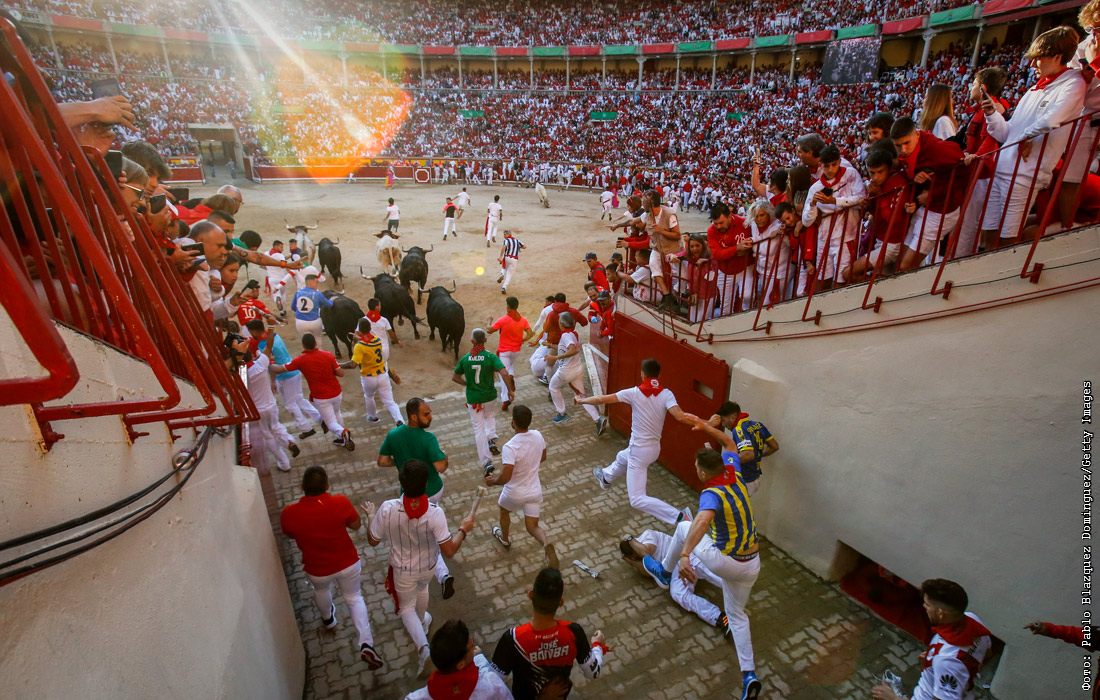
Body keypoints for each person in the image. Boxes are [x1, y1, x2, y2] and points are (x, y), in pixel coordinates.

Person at [641, 418, 762, 700]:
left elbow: (702, 521)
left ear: (705, 473)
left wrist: (684, 555)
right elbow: (729, 443)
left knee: (685, 527)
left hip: (726, 561)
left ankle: (665, 572)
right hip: (751, 565)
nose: (696, 471)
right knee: (737, 616)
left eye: (697, 468)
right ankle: (749, 675)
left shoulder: (711, 493)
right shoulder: (733, 470)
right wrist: (706, 428)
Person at [363, 460, 475, 674]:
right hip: (428, 567)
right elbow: (449, 551)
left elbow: (373, 540)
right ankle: (422, 621)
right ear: (425, 484)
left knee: (406, 608)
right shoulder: (435, 513)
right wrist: (463, 529)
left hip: (402, 570)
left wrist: (370, 517)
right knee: (422, 590)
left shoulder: (387, 508)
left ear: (401, 483)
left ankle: (424, 649)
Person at [979, 27, 1087, 248]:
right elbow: (1007, 134)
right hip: (1001, 170)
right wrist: (992, 115)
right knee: (988, 234)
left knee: (1008, 239)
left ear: (1056, 57)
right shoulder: (1034, 89)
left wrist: (1025, 137)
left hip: (1024, 177)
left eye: (1038, 58)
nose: (1032, 65)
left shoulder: (1073, 84)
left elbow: (1052, 120)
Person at [280, 466, 383, 670]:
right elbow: (356, 526)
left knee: (321, 591)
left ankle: (328, 620)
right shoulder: (340, 502)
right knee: (354, 598)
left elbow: (290, 534)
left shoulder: (289, 513)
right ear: (327, 486)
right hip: (347, 563)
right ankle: (366, 643)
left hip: (317, 568)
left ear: (301, 486)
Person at [581, 358, 694, 524]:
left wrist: (582, 400)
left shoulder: (634, 393)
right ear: (659, 375)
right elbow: (681, 417)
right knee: (622, 456)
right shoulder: (666, 394)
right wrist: (706, 423)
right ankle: (606, 476)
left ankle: (679, 516)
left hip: (638, 451)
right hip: (654, 449)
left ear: (642, 374)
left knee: (637, 499)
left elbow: (601, 400)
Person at [377, 397, 455, 598]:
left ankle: (442, 573)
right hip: (433, 490)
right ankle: (443, 574)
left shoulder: (393, 435)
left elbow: (382, 461)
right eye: (426, 414)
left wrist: (400, 464)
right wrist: (446, 459)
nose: (431, 417)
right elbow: (440, 467)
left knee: (421, 530)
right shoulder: (428, 439)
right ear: (413, 417)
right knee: (429, 531)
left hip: (409, 493)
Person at [491, 568, 607, 700]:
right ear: (561, 602)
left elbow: (492, 686)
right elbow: (592, 673)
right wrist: (598, 646)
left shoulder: (512, 639)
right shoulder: (574, 632)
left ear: (530, 595)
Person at [871, 579, 992, 700]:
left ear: (940, 613)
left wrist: (892, 698)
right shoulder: (972, 619)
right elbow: (986, 652)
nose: (924, 606)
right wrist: (934, 660)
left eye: (927, 604)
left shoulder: (946, 661)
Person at [483, 405, 558, 568]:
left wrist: (493, 481)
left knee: (504, 510)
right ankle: (546, 544)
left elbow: (506, 476)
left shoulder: (510, 447)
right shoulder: (538, 435)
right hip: (534, 490)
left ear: (513, 423)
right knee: (533, 527)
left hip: (514, 492)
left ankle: (505, 538)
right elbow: (543, 457)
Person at [890, 117, 969, 271]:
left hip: (942, 211)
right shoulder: (911, 151)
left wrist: (932, 194)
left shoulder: (937, 149)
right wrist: (916, 181)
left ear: (917, 135)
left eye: (906, 143)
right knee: (900, 262)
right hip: (924, 208)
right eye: (898, 145)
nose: (903, 150)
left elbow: (965, 174)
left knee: (906, 266)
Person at [619, 530, 732, 637]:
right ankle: (719, 617)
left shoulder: (648, 535)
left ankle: (739, 588)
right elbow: (647, 573)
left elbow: (646, 552)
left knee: (717, 577)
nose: (634, 559)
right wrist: (630, 561)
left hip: (686, 555)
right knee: (677, 593)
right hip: (676, 570)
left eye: (633, 556)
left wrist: (629, 538)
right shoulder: (640, 558)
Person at [271, 333, 353, 451]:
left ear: (303, 346)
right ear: (315, 343)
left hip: (321, 397)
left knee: (330, 423)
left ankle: (342, 433)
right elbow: (341, 373)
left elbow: (279, 369)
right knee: (337, 413)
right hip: (336, 392)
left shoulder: (300, 360)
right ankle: (341, 439)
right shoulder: (328, 355)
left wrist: (270, 362)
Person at [801, 144, 867, 290]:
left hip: (846, 236)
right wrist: (812, 204)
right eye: (826, 166)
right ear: (821, 165)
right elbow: (806, 221)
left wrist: (834, 201)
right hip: (824, 239)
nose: (831, 169)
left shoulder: (850, 175)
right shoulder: (815, 188)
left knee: (841, 279)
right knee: (822, 280)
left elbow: (861, 198)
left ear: (839, 162)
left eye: (834, 165)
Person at [245, 320, 324, 440]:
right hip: (293, 372)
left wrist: (273, 381)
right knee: (299, 399)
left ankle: (306, 428)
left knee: (290, 405)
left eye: (250, 331)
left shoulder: (263, 344)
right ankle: (321, 420)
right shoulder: (274, 336)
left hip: (285, 376)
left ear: (254, 331)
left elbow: (269, 364)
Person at [404, 620, 513, 700]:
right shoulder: (493, 686)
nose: (474, 647)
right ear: (460, 665)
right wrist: (480, 658)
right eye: (471, 647)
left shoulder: (414, 698)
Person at [453, 329, 515, 469]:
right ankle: (491, 438)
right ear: (485, 340)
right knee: (489, 415)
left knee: (478, 428)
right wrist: (510, 390)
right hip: (489, 397)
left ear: (472, 341)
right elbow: (504, 373)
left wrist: (467, 384)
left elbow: (455, 377)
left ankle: (486, 461)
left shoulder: (465, 359)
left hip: (473, 398)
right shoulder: (490, 357)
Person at [339, 318, 403, 425]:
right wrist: (360, 338)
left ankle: (373, 417)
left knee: (369, 396)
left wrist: (337, 364)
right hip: (382, 375)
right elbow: (368, 341)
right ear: (370, 329)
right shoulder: (377, 339)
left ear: (359, 331)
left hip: (368, 377)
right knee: (390, 402)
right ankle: (399, 420)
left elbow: (353, 364)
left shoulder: (359, 346)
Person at [708, 401, 779, 496]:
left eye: (723, 420)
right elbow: (774, 446)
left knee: (727, 503)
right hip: (755, 478)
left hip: (744, 480)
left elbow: (749, 454)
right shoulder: (758, 425)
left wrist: (726, 461)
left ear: (732, 417)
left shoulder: (739, 430)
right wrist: (758, 454)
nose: (723, 425)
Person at [546, 313, 602, 430]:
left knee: (553, 387)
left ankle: (562, 413)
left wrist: (555, 357)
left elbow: (572, 350)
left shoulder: (565, 335)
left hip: (566, 371)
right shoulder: (574, 334)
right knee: (582, 397)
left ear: (562, 324)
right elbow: (566, 349)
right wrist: (550, 345)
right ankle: (598, 420)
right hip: (577, 370)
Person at [488, 297, 534, 410]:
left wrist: (488, 321)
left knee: (503, 374)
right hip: (516, 351)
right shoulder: (523, 320)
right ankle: (511, 375)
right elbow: (530, 334)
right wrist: (522, 340)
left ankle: (505, 399)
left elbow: (489, 330)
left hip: (504, 352)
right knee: (510, 365)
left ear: (508, 306)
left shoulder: (503, 320)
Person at [292, 274, 333, 339]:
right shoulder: (317, 294)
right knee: (318, 340)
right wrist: (331, 300)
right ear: (311, 282)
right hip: (314, 322)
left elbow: (293, 307)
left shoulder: (298, 292)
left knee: (305, 340)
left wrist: (302, 313)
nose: (317, 284)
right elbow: (328, 304)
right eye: (316, 282)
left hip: (300, 323)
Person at [364, 297, 402, 365]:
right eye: (379, 305)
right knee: (384, 365)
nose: (380, 307)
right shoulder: (384, 320)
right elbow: (391, 334)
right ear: (377, 307)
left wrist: (355, 342)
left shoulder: (363, 320)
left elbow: (357, 333)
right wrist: (397, 341)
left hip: (369, 348)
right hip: (383, 348)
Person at [496, 230, 524, 294]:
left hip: (507, 257)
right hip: (514, 259)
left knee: (504, 266)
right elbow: (524, 246)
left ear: (508, 234)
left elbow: (504, 247)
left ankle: (502, 274)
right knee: (509, 275)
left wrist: (501, 256)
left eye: (504, 234)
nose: (504, 236)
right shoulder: (517, 240)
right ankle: (504, 287)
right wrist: (518, 247)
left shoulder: (506, 240)